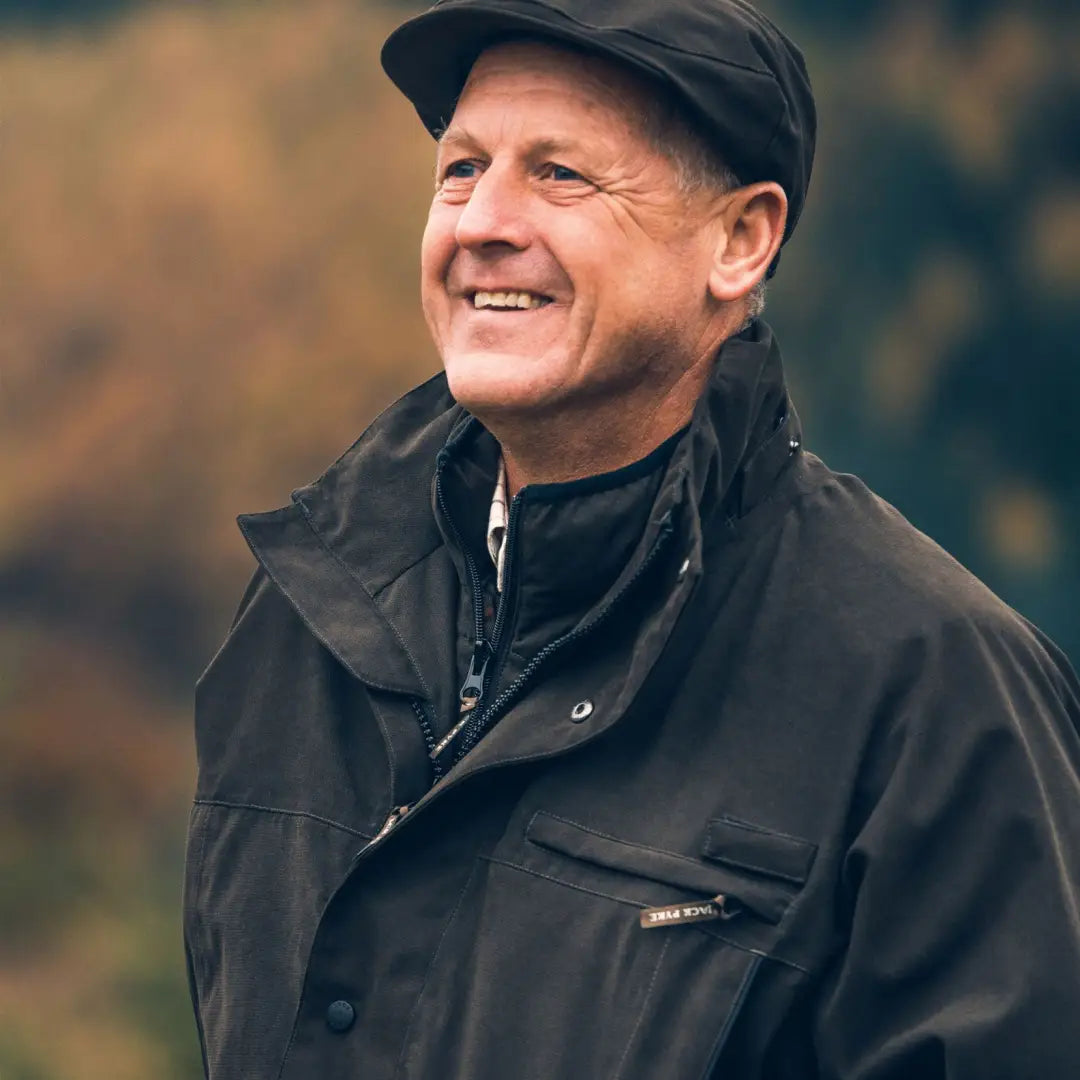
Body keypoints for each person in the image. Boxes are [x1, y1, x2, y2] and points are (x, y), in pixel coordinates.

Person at [182, 1, 1080, 1077]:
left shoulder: (935, 689)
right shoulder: (301, 611)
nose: (481, 222)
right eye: (462, 167)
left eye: (561, 174)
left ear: (741, 241)